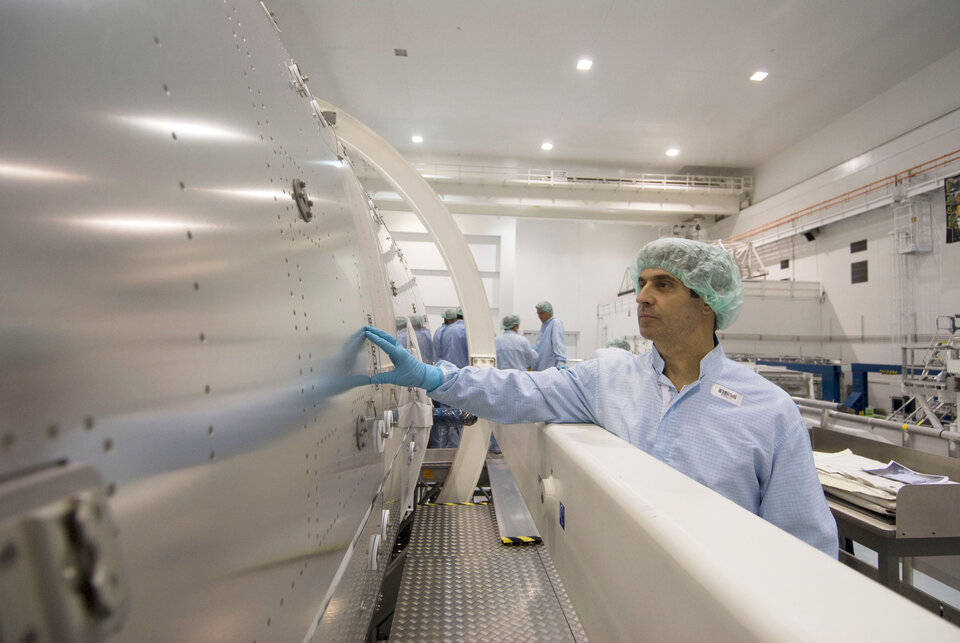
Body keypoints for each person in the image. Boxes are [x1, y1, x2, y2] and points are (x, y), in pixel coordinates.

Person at [363, 238, 838, 556]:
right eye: (642, 283)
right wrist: (433, 378)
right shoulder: (609, 378)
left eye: (663, 285)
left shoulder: (769, 412)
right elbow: (521, 389)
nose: (642, 296)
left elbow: (805, 546)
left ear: (708, 301)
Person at [532, 301, 566, 370]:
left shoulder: (556, 322)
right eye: (538, 313)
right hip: (542, 366)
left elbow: (558, 342)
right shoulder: (544, 325)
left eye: (541, 313)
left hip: (550, 366)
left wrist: (561, 360)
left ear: (549, 312)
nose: (539, 316)